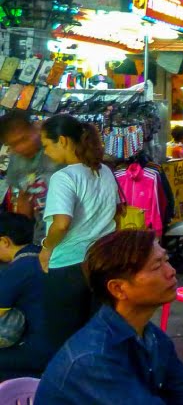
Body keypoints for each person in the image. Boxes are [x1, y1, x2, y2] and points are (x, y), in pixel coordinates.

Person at [35, 229, 183, 404]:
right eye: (156, 266)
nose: (171, 271)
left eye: (166, 260)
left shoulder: (151, 336)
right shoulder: (94, 358)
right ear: (118, 289)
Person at [40, 114, 121, 349]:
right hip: (101, 263)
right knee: (96, 336)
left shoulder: (63, 178)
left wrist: (46, 247)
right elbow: (115, 213)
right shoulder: (104, 171)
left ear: (63, 141)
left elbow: (62, 223)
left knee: (64, 342)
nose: (45, 152)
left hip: (68, 267)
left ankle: (68, 384)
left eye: (47, 145)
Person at [0, 213, 51, 380]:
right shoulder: (41, 256)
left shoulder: (18, 269)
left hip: (36, 351)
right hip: (61, 341)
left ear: (4, 241)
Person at [0, 110, 61, 243]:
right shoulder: (16, 161)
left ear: (35, 128)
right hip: (43, 237)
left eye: (24, 139)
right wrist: (23, 236)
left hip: (74, 235)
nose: (21, 147)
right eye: (14, 144)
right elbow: (24, 196)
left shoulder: (59, 148)